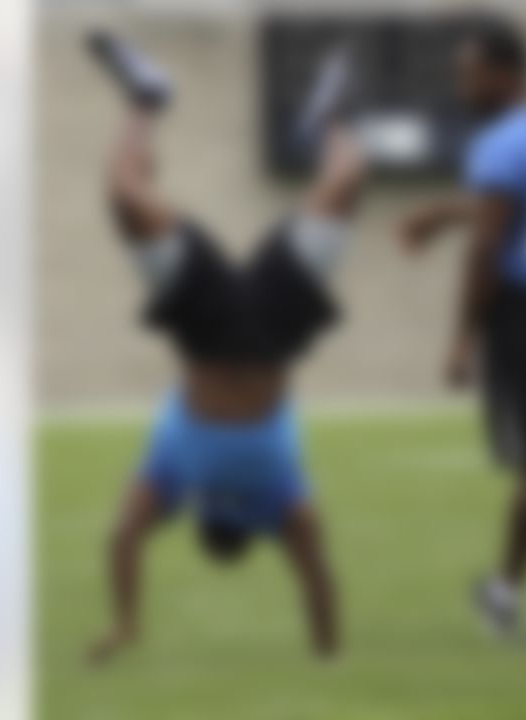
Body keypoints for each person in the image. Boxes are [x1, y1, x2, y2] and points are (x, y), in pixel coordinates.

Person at [81, 32, 365, 662]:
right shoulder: (281, 501)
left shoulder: (176, 478)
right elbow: (317, 579)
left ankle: (147, 97)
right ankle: (328, 117)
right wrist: (329, 655)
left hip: (212, 329)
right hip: (264, 330)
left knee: (127, 198)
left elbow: (124, 539)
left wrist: (126, 624)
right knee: (346, 182)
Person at [398, 21, 526, 645]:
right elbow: (516, 204)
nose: (461, 86)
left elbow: (489, 239)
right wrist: (442, 212)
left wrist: (464, 335)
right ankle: (506, 592)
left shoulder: (498, 145)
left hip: (525, 308)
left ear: (505, 73)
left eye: (470, 73)